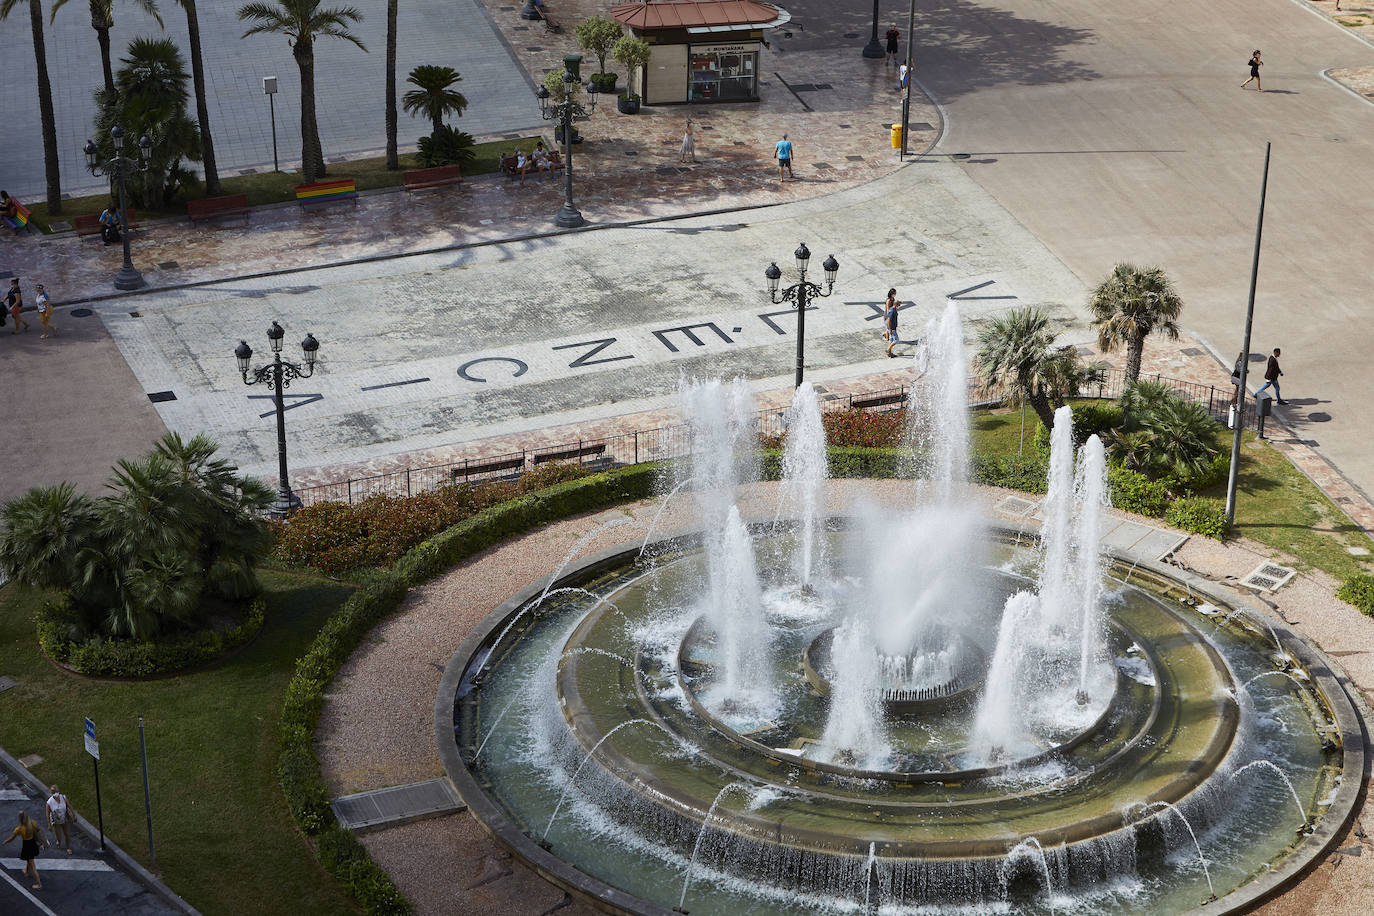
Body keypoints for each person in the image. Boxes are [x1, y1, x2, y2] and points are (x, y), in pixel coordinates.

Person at [4, 810, 48, 888]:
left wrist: (5, 842)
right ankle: (26, 872)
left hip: (27, 846)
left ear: (20, 819)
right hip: (33, 844)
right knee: (29, 860)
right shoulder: (32, 823)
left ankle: (39, 884)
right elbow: (38, 831)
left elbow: (12, 838)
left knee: (33, 866)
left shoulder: (19, 829)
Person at [45, 785, 73, 853]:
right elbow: (47, 814)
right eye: (54, 792)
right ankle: (58, 841)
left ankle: (68, 848)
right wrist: (49, 824)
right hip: (56, 821)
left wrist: (74, 816)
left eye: (56, 791)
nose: (56, 793)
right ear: (51, 793)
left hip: (64, 819)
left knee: (67, 834)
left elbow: (70, 807)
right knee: (59, 837)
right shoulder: (49, 802)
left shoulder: (63, 797)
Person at [884, 289, 901, 358]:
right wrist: (890, 329)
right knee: (896, 340)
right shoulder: (891, 309)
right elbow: (889, 318)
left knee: (891, 339)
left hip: (892, 324)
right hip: (890, 323)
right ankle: (888, 349)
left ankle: (890, 353)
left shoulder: (894, 308)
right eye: (899, 305)